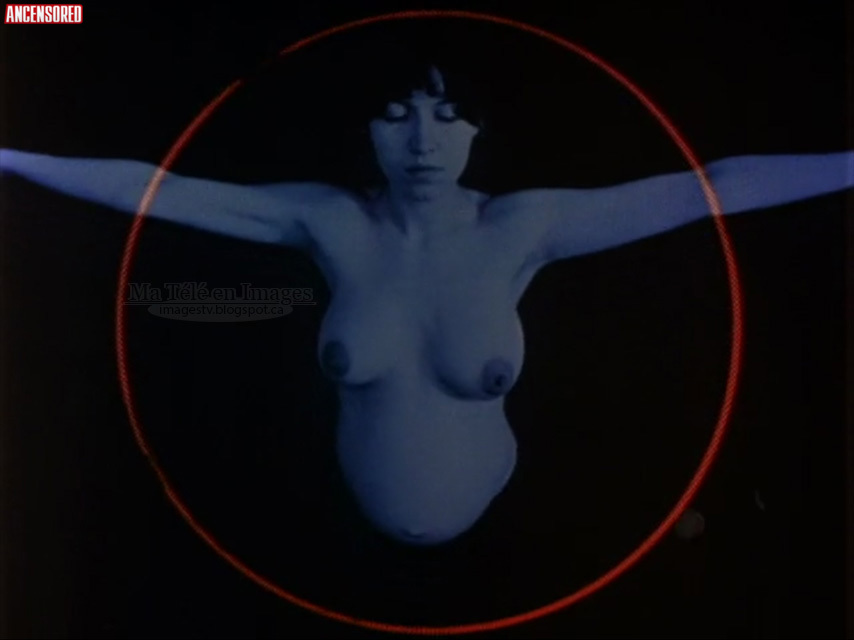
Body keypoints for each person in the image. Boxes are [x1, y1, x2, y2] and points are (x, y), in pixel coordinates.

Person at [1, 61, 851, 547]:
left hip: (518, 534)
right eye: (396, 115)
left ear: (477, 130)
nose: (421, 141)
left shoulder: (524, 225)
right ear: (366, 130)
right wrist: (9, 156)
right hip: (326, 535)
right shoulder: (327, 220)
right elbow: (152, 189)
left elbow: (710, 188)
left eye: (446, 117)